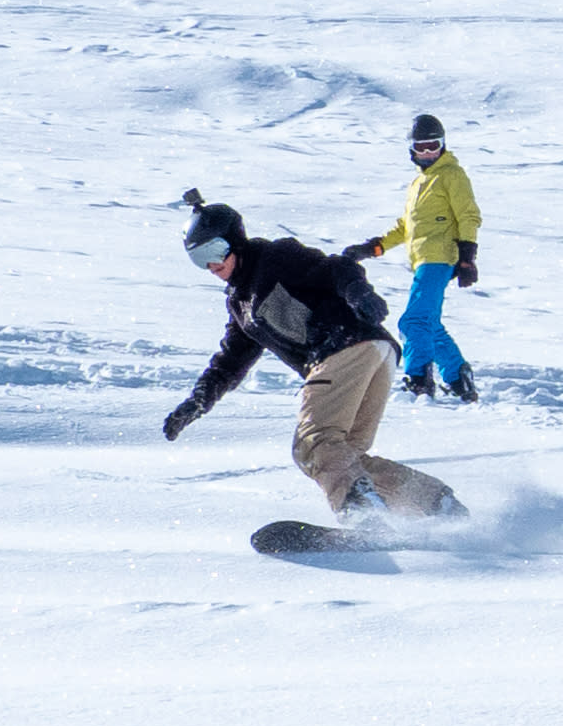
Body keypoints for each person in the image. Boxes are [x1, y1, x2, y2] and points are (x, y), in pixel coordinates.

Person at [163, 191, 463, 529]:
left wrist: (358, 294)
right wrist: (197, 402)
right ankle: (436, 503)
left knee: (312, 443)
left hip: (343, 347)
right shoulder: (241, 304)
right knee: (344, 456)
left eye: (215, 251)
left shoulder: (273, 258)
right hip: (370, 354)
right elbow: (229, 362)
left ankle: (364, 514)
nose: (211, 265)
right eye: (199, 258)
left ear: (236, 241)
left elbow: (337, 267)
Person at [350, 111, 483, 404]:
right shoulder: (420, 183)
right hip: (425, 260)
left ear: (443, 145)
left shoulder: (451, 175)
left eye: (433, 145)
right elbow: (406, 227)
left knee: (413, 322)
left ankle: (418, 379)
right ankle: (458, 377)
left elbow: (468, 215)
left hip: (440, 258)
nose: (427, 152)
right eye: (421, 147)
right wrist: (374, 248)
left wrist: (467, 258)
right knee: (429, 324)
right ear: (411, 149)